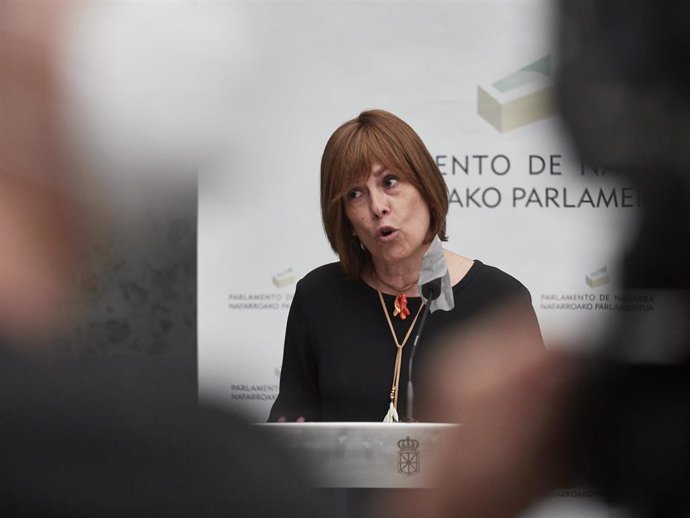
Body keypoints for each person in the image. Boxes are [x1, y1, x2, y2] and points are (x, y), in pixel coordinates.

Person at [269, 109, 543, 423]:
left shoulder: (500, 301)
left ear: (425, 186)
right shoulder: (317, 296)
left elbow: (539, 443)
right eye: (355, 194)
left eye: (390, 182)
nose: (377, 207)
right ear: (345, 218)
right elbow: (290, 421)